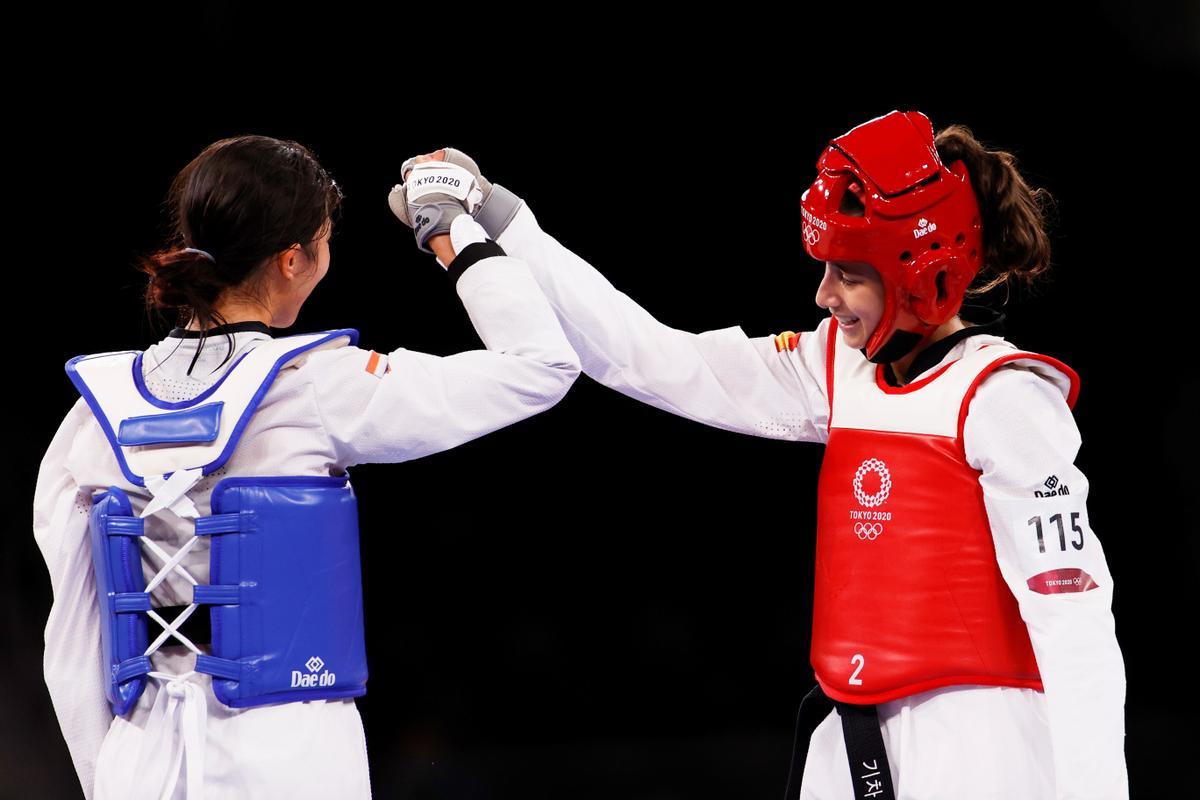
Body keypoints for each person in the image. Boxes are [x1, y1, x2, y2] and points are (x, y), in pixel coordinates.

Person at [423, 110, 1128, 799]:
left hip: (981, 747)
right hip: (850, 736)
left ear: (923, 269)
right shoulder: (834, 369)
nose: (824, 296)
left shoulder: (1005, 398)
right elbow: (650, 358)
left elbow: (1074, 618)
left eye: (847, 272)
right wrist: (504, 223)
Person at [33, 134, 580, 799]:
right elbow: (542, 367)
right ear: (293, 260)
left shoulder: (91, 414)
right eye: (324, 242)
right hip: (289, 753)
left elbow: (72, 641)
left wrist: (111, 775)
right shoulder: (316, 385)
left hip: (141, 757)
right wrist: (450, 228)